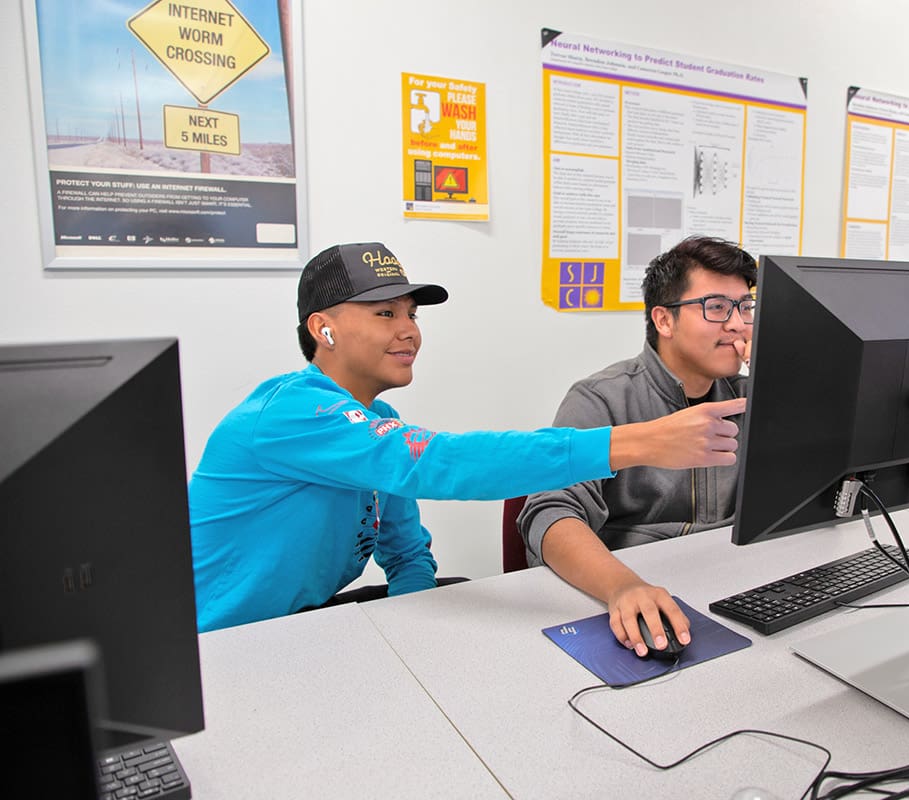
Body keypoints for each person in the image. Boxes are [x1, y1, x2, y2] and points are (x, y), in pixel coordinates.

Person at [188, 241, 746, 632]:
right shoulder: (290, 412)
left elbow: (406, 556)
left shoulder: (377, 423)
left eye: (411, 314)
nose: (409, 331)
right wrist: (637, 442)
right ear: (322, 328)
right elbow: (442, 463)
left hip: (305, 624)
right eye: (385, 313)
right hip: (227, 645)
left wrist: (418, 641)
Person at [518, 236, 755, 656]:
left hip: (730, 582)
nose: (737, 324)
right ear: (664, 320)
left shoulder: (753, 395)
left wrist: (781, 376)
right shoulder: (601, 398)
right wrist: (622, 586)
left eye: (745, 307)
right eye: (717, 307)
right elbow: (550, 512)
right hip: (634, 588)